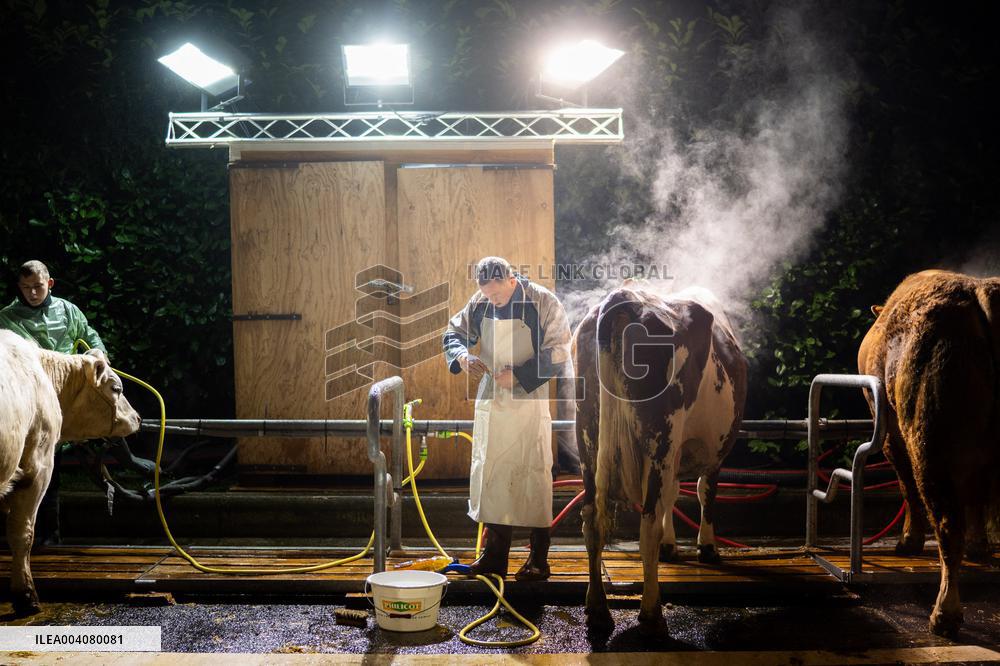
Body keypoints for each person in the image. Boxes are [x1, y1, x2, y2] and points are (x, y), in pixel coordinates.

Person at [442, 256, 573, 580]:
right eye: (487, 295)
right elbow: (454, 332)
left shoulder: (542, 301)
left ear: (512, 280)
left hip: (528, 398)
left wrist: (520, 375)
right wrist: (462, 356)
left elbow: (560, 350)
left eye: (497, 294)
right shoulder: (480, 301)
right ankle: (494, 557)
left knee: (534, 473)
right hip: (491, 398)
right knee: (493, 471)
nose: (492, 300)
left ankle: (538, 560)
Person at [0, 260, 108, 545]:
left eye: (38, 286)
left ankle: (51, 535)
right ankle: (18, 537)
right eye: (26, 287)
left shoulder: (68, 311)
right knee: (18, 470)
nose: (33, 293)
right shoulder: (7, 317)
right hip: (26, 404)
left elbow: (90, 336)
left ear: (50, 284)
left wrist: (98, 352)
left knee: (49, 470)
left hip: (63, 399)